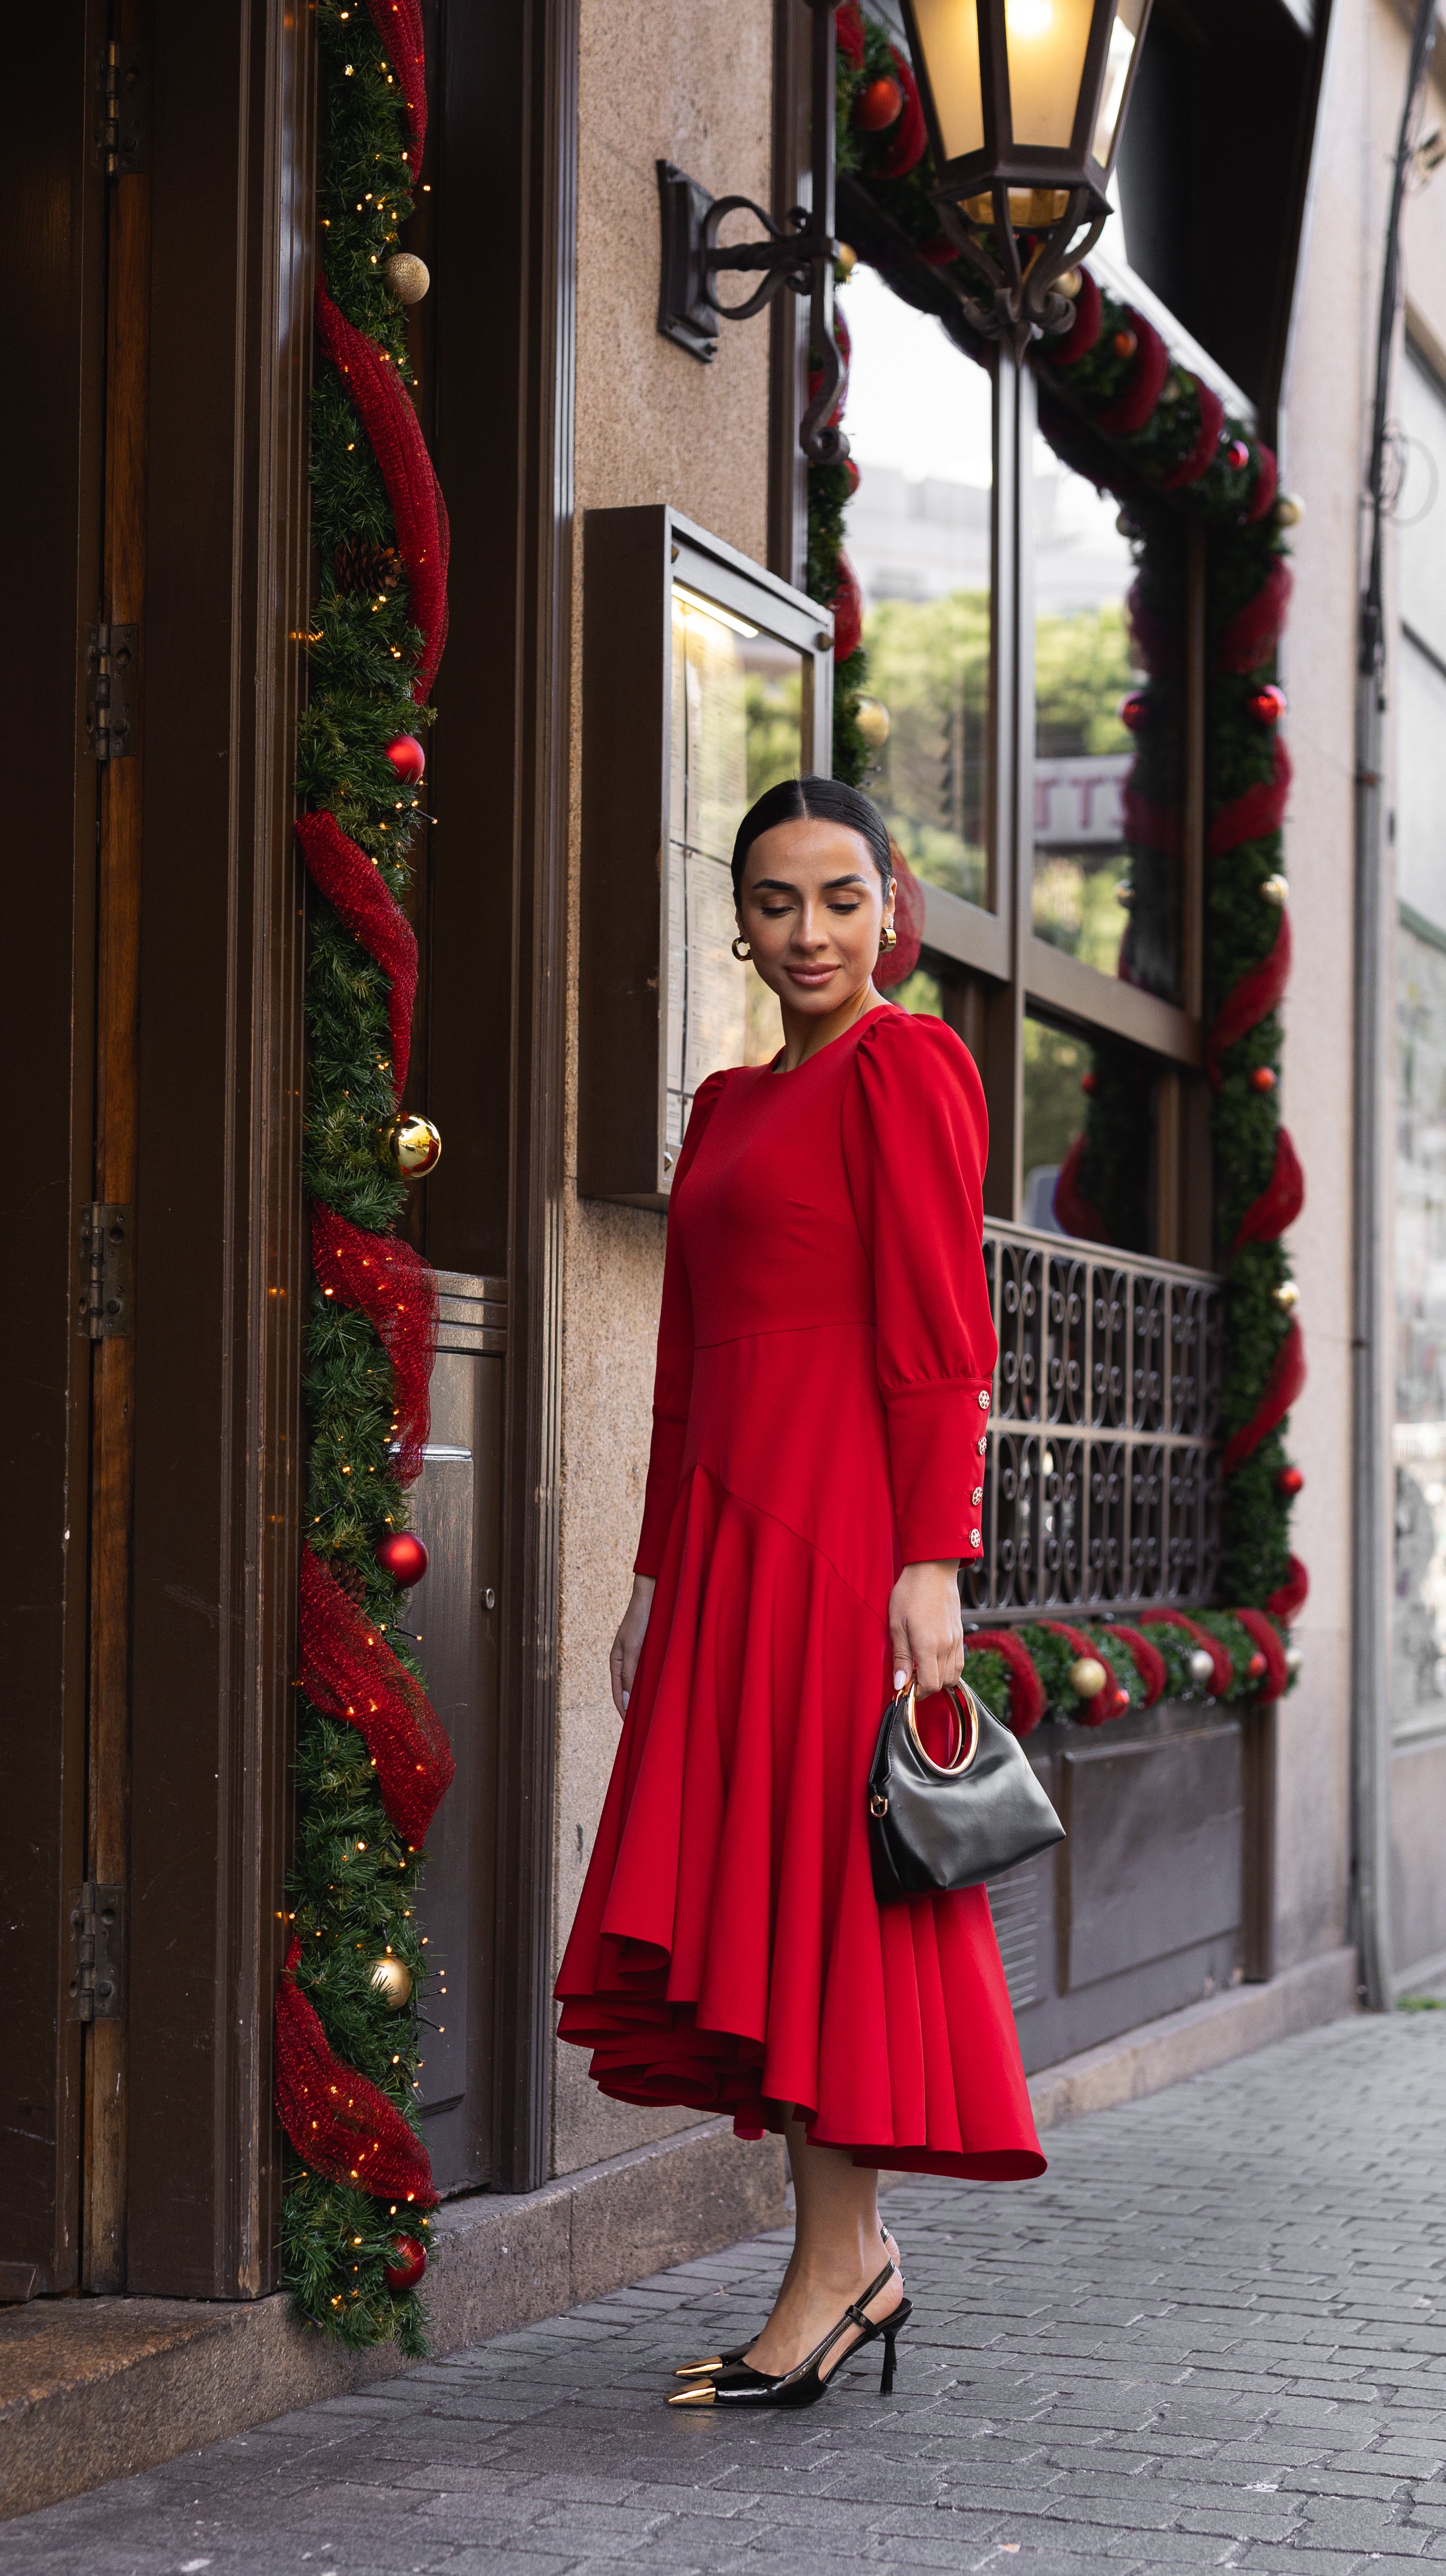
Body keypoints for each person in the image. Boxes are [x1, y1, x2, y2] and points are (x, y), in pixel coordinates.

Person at [555, 777, 1044, 2411]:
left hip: (845, 1541)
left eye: (839, 898)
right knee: (769, 1901)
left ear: (890, 905)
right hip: (726, 1541)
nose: (808, 932)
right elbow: (683, 1370)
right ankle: (852, 2259)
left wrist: (930, 1560)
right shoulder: (725, 1103)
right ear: (742, 920)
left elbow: (939, 1334)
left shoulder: (909, 1066)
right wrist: (643, 1577)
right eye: (775, 902)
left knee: (830, 1900)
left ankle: (840, 2266)